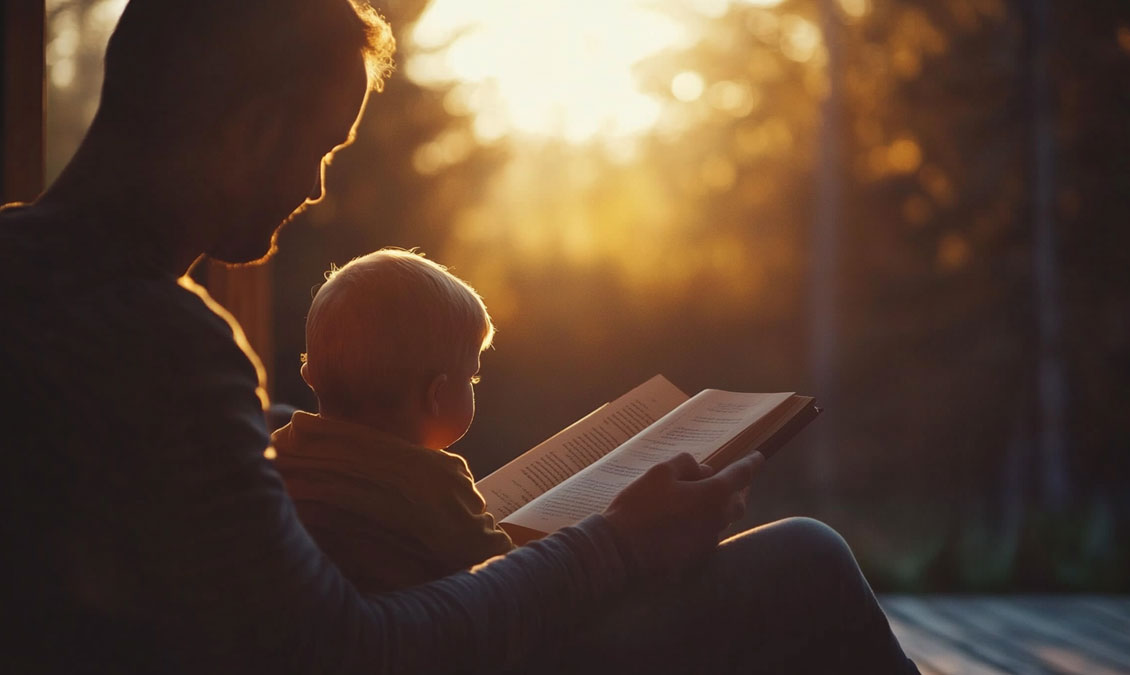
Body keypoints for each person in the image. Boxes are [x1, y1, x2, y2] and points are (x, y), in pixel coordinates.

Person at [0, 1, 918, 673]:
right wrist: (617, 544)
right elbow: (347, 648)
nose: (316, 189)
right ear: (250, 131)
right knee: (806, 560)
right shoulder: (161, 338)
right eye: (319, 148)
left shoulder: (31, 278)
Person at [272, 248, 513, 591]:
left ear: (309, 375)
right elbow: (508, 575)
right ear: (436, 395)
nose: (475, 384)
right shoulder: (433, 484)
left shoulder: (277, 454)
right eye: (472, 377)